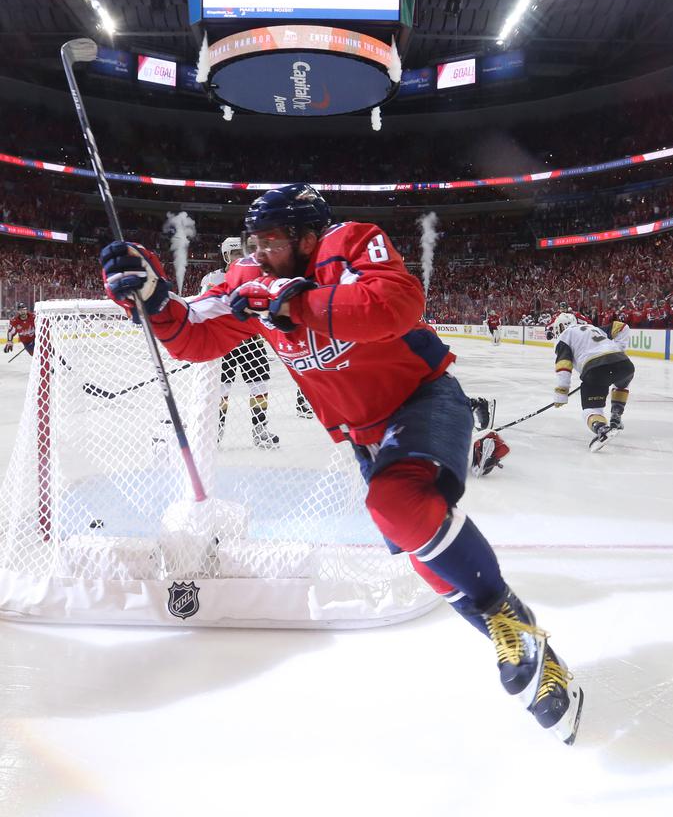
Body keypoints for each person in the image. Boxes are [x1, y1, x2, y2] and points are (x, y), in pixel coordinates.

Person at [100, 183, 583, 744]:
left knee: (394, 504)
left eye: (272, 242)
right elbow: (193, 334)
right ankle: (538, 661)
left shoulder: (353, 243)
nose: (258, 254)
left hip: (423, 398)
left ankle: (514, 623)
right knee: (415, 540)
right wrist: (152, 295)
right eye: (254, 242)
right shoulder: (249, 280)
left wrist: (292, 300)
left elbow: (394, 305)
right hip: (366, 435)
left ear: (309, 238)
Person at [200, 237, 279, 449]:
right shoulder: (213, 278)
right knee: (222, 390)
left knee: (259, 386)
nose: (238, 257)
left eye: (240, 253)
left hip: (251, 341)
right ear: (226, 255)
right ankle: (215, 432)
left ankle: (260, 430)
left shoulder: (255, 274)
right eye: (234, 254)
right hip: (224, 342)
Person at [547, 312, 634, 451]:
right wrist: (618, 350)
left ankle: (602, 429)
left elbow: (564, 365)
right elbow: (623, 327)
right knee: (621, 382)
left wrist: (562, 392)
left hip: (596, 368)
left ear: (561, 326)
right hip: (624, 363)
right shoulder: (593, 328)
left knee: (591, 410)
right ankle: (616, 416)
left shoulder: (564, 337)